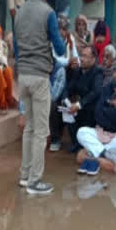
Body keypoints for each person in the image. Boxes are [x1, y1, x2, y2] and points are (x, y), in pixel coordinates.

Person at [14, 0, 65, 195]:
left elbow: (16, 48)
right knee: (41, 131)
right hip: (39, 77)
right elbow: (60, 48)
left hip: (23, 76)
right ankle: (35, 181)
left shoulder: (19, 13)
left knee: (30, 127)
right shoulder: (48, 13)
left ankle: (25, 176)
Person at [76, 52, 116, 175]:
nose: (114, 75)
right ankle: (105, 154)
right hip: (105, 134)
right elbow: (98, 114)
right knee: (81, 132)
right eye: (114, 71)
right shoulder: (108, 87)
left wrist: (109, 111)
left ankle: (97, 152)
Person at [60, 44, 104, 152]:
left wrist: (79, 105)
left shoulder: (97, 72)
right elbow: (68, 87)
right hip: (79, 107)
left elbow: (95, 92)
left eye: (85, 56)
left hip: (91, 108)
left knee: (88, 110)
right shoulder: (78, 71)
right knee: (64, 109)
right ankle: (75, 143)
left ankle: (84, 144)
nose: (82, 59)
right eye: (81, 56)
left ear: (93, 59)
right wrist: (65, 100)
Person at [48, 15, 78, 152]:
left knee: (68, 102)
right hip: (53, 77)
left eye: (64, 29)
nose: (62, 32)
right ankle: (55, 138)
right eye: (59, 28)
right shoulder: (51, 41)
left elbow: (76, 58)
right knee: (55, 105)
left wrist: (73, 62)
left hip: (68, 77)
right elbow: (53, 61)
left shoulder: (70, 41)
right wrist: (68, 62)